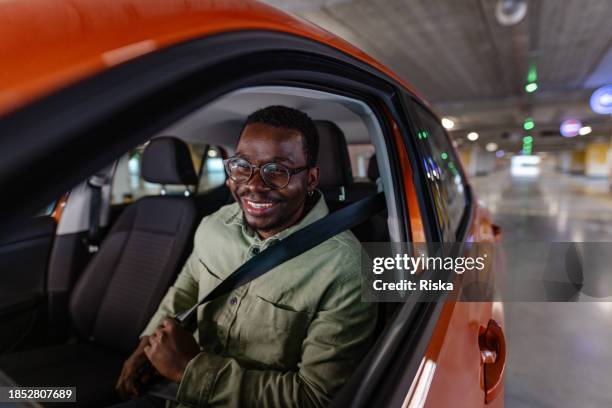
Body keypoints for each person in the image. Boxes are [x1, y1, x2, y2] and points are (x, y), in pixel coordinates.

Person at [114, 105, 377, 407]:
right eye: (242, 166)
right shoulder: (214, 225)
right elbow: (186, 288)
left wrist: (190, 370)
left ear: (312, 178)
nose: (253, 185)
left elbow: (315, 398)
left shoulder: (348, 269)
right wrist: (147, 345)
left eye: (277, 171)